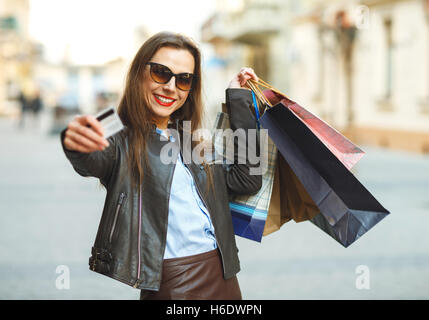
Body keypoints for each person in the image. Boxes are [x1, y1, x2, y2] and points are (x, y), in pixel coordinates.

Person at [60, 31, 262, 300]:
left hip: (225, 277)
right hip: (173, 285)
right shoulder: (120, 137)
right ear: (138, 73)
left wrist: (238, 99)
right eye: (160, 72)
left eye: (183, 79)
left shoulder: (192, 142)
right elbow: (91, 157)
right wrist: (73, 141)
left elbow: (249, 178)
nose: (170, 87)